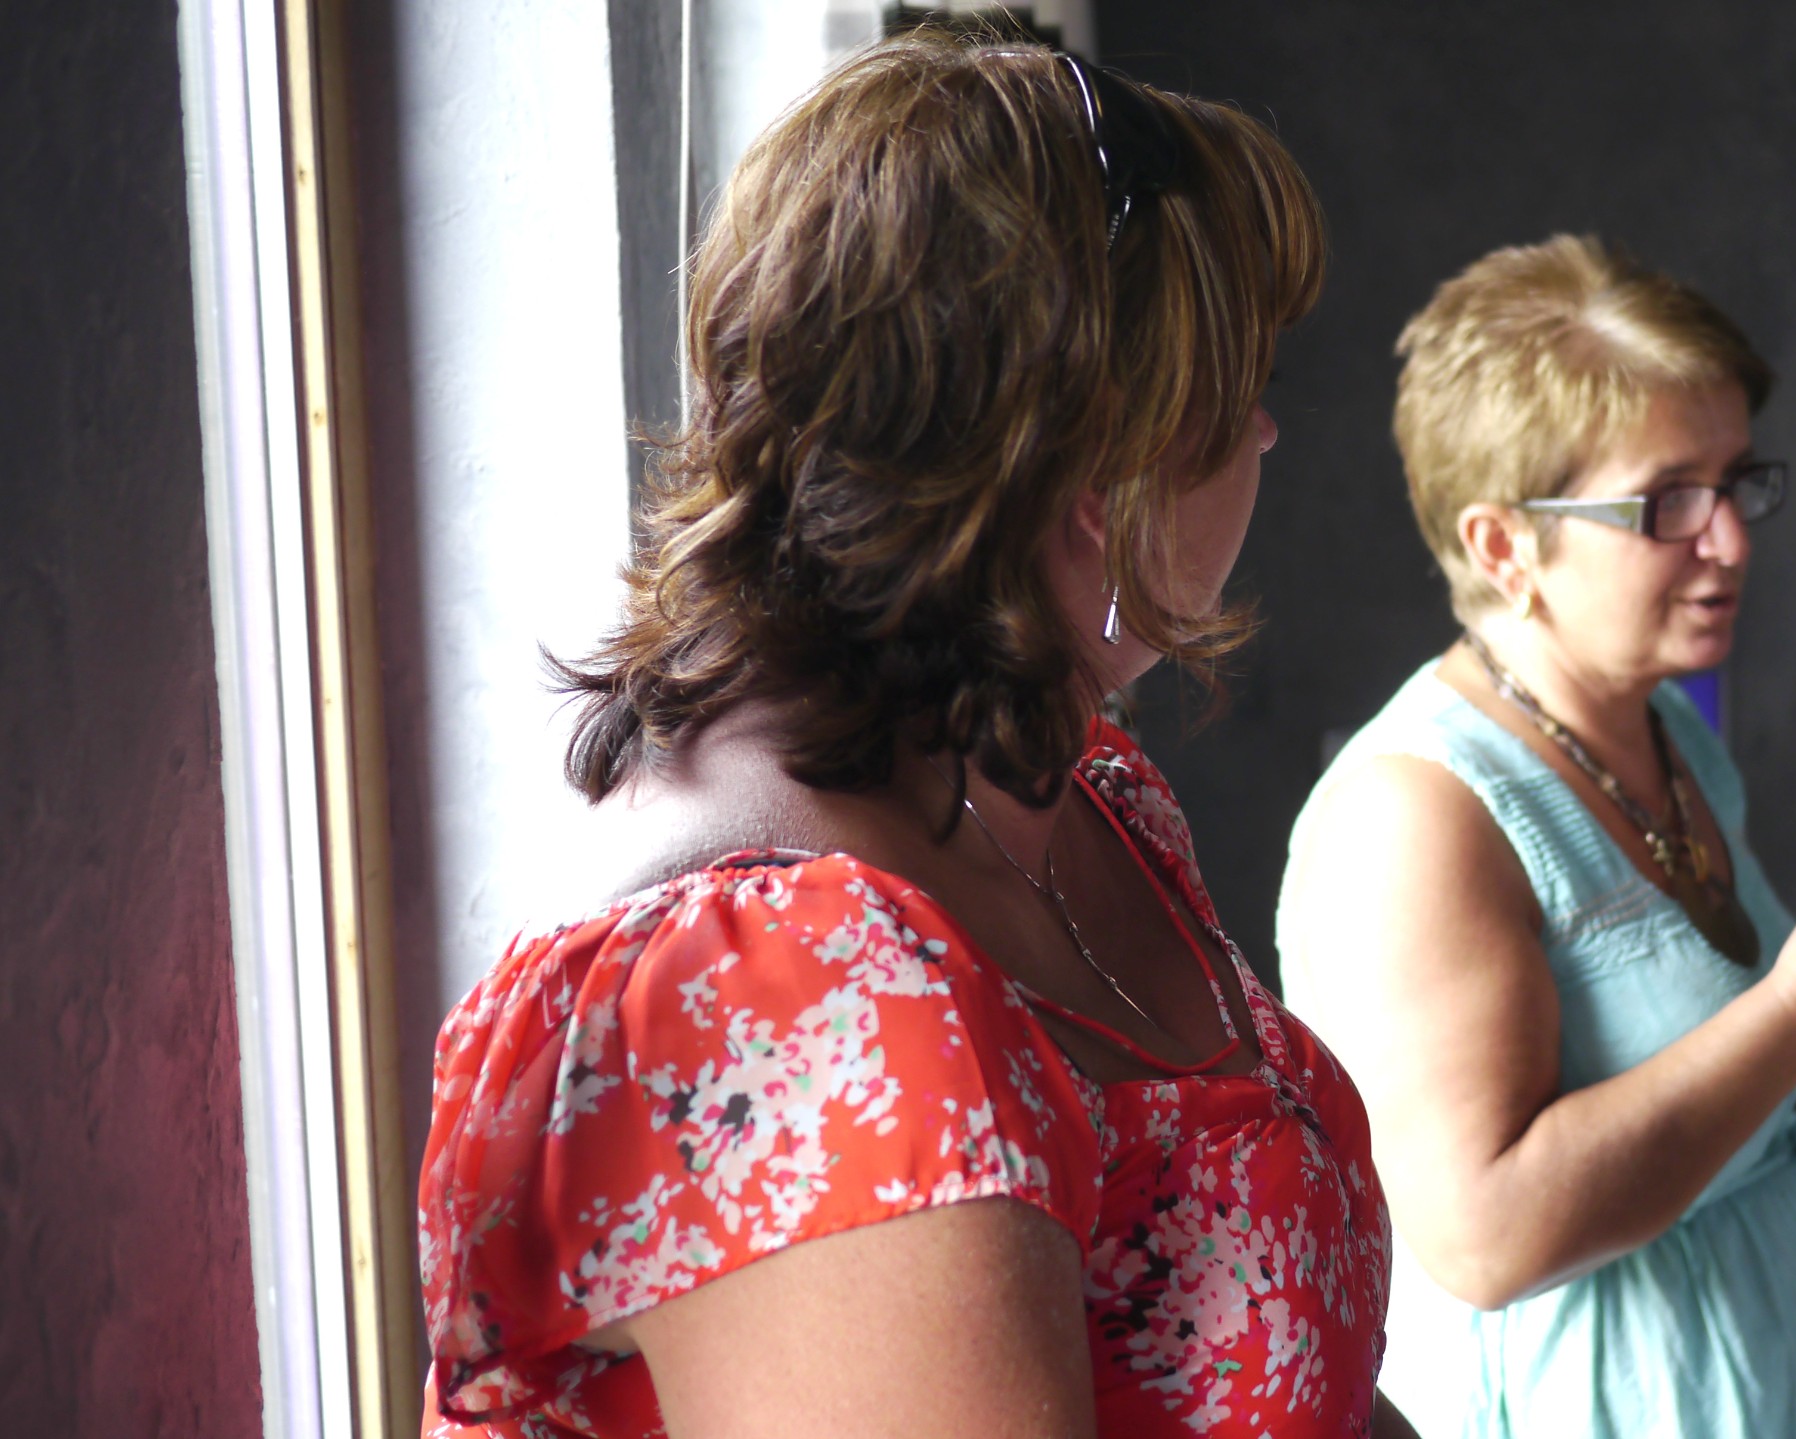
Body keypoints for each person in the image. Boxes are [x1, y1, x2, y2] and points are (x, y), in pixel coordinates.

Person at [415, 33, 1411, 1438]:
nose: (1266, 435)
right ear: (1104, 463)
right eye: (1242, 385)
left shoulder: (1074, 793)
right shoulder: (770, 989)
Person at [1275, 234, 1796, 1438]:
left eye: (1734, 482)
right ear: (1503, 545)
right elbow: (1481, 1237)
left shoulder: (1663, 725)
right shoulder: (1412, 813)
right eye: (1669, 499)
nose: (1729, 539)